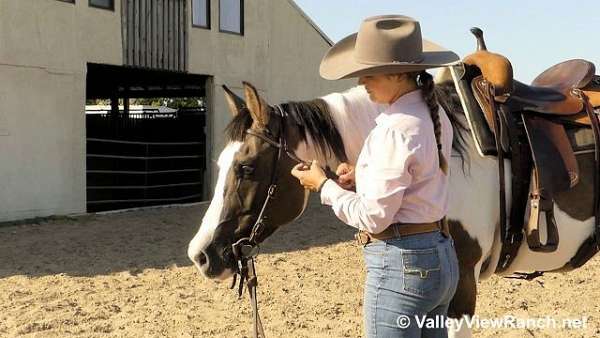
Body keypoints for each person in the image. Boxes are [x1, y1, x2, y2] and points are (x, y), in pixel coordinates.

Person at [291, 15, 460, 337]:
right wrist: (364, 176)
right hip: (440, 257)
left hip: (403, 265)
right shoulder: (431, 114)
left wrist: (323, 186)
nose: (360, 83)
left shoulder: (394, 129)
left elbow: (373, 218)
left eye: (367, 74)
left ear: (396, 73)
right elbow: (419, 175)